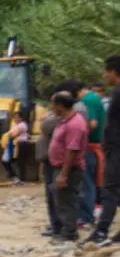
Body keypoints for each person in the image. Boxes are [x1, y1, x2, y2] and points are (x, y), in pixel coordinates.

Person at [47, 91, 89, 242]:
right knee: (60, 199)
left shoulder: (75, 124)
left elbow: (72, 150)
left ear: (60, 106)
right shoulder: (65, 120)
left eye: (53, 105)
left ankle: (69, 233)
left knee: (66, 201)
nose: (52, 109)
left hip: (69, 169)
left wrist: (63, 174)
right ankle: (64, 230)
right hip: (60, 167)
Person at [91, 56, 120, 245]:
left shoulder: (118, 93)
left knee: (110, 189)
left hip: (117, 148)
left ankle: (101, 230)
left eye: (106, 71)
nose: (104, 75)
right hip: (114, 147)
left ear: (114, 71)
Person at [78, 82, 106, 235]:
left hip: (89, 148)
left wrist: (77, 136)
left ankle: (86, 217)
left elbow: (92, 123)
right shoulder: (94, 99)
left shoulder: (88, 100)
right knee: (90, 183)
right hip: (94, 146)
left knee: (86, 183)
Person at [36, 106, 63, 237]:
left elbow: (46, 126)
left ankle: (59, 226)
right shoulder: (57, 116)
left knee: (54, 194)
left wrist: (45, 119)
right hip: (50, 159)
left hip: (55, 161)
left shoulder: (61, 118)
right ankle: (56, 224)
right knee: (52, 194)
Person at [1, 111, 29, 184]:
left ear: (21, 118)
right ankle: (14, 176)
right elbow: (10, 134)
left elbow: (14, 135)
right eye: (14, 117)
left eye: (17, 117)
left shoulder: (23, 125)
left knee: (21, 162)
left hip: (21, 144)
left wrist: (8, 135)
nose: (16, 119)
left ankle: (22, 180)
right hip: (13, 145)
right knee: (5, 161)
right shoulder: (14, 125)